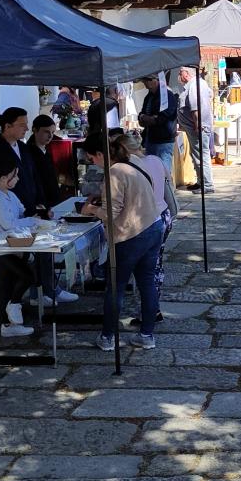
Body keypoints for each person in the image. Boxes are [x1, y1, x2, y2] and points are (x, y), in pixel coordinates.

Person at [81, 132, 166, 352]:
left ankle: (107, 336)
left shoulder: (116, 171)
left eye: (92, 158)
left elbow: (111, 212)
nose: (93, 163)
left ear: (100, 154)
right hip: (153, 226)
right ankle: (147, 334)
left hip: (132, 233)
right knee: (146, 282)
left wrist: (90, 209)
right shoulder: (132, 162)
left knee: (115, 287)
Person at [0, 160, 50, 339]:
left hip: (15, 245)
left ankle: (10, 320)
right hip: (2, 248)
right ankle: (12, 309)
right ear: (4, 178)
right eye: (15, 175)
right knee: (25, 276)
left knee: (11, 281)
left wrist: (37, 214)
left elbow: (21, 212)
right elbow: (8, 224)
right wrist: (31, 221)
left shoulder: (9, 195)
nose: (18, 178)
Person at [116, 133, 173, 329]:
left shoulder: (132, 167)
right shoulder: (155, 160)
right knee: (155, 265)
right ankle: (152, 308)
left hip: (146, 219)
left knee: (145, 271)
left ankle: (151, 310)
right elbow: (168, 181)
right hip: (164, 214)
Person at [0, 107, 41, 216]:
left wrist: (40, 201)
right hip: (8, 210)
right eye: (22, 125)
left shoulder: (23, 147)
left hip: (30, 208)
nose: (26, 128)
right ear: (7, 126)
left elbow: (34, 175)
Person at [178, 66, 215, 193]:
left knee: (201, 154)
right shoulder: (200, 83)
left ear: (187, 74)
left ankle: (207, 185)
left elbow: (195, 108)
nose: (179, 75)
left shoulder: (194, 85)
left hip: (197, 127)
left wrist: (197, 124)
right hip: (196, 126)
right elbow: (211, 94)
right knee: (197, 154)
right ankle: (201, 181)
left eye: (180, 72)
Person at [138, 73, 178, 174]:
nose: (145, 83)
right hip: (150, 139)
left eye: (147, 80)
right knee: (152, 172)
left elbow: (161, 119)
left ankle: (166, 190)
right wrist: (146, 117)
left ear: (154, 81)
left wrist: (148, 118)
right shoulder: (149, 96)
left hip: (163, 140)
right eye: (144, 81)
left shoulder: (167, 96)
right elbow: (141, 115)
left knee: (164, 173)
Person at [27, 114, 65, 213]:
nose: (50, 136)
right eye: (46, 132)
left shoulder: (46, 150)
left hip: (53, 200)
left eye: (52, 132)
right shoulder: (29, 153)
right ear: (35, 130)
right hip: (41, 203)